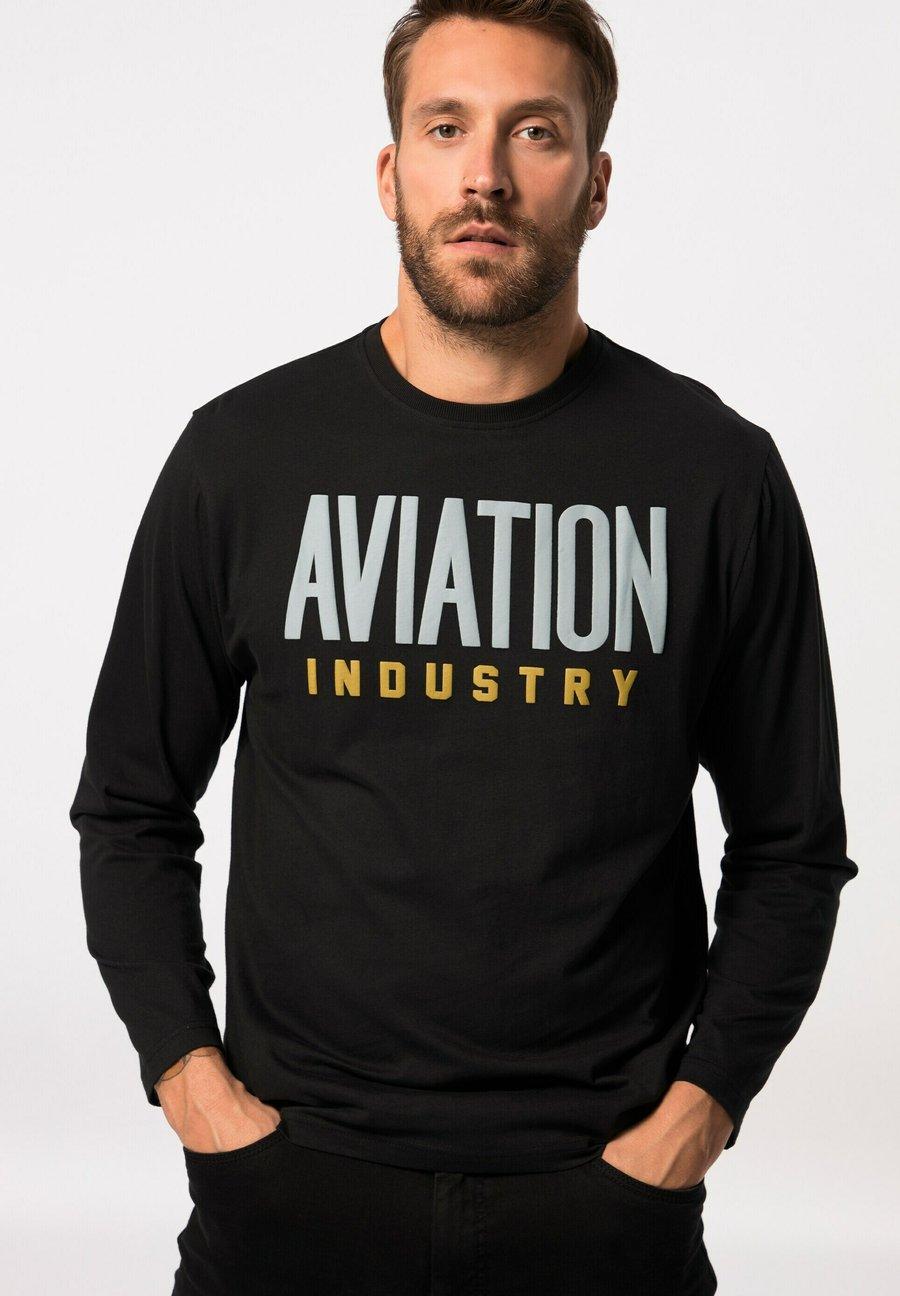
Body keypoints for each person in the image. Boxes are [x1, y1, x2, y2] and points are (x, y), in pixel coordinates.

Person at [68, 2, 859, 1293]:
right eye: (447, 128)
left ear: (596, 183)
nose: (484, 173)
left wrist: (694, 1117)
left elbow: (792, 845)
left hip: (603, 1205)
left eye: (535, 132)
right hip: (290, 1188)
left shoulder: (715, 475)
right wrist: (194, 1088)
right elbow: (130, 805)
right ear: (391, 172)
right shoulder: (245, 457)